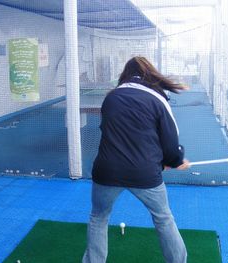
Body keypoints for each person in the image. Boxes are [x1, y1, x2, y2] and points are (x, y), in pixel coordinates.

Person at [82, 56, 190, 263]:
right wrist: (175, 160)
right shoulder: (157, 99)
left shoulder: (111, 97)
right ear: (150, 74)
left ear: (125, 74)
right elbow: (170, 141)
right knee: (163, 218)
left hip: (107, 170)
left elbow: (108, 131)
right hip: (144, 172)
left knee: (98, 217)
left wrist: (166, 160)